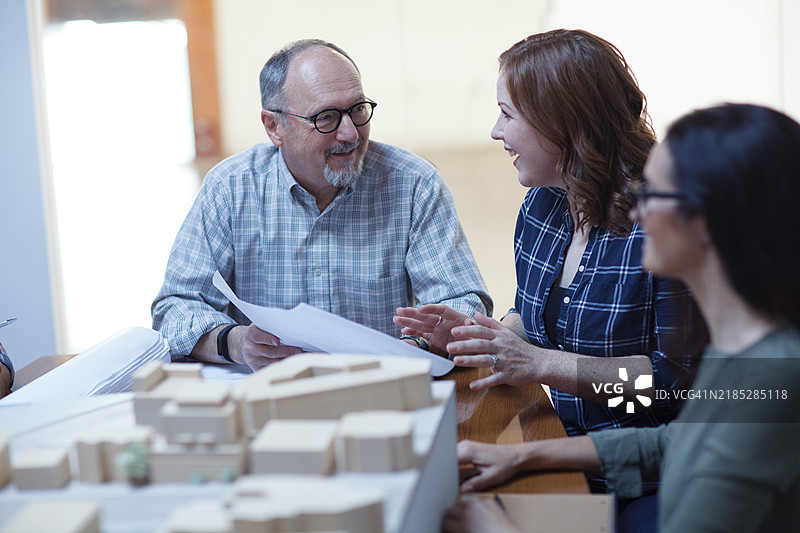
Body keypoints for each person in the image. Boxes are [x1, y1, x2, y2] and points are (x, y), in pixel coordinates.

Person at [445, 103, 800, 533]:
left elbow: (663, 400)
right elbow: (676, 442)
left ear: (709, 219)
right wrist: (524, 454)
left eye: (654, 194)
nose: (637, 212)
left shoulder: (775, 375)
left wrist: (496, 528)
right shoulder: (743, 342)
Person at [395, 29, 705, 487]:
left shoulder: (664, 225)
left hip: (651, 473)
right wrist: (477, 337)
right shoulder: (543, 206)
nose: (495, 132)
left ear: (562, 122)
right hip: (559, 443)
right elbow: (534, 316)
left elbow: (670, 386)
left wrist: (541, 364)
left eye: (506, 115)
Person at [152, 39, 492, 371]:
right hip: (270, 400)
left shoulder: (413, 184)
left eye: (358, 110)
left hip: (384, 393)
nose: (350, 133)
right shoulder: (230, 188)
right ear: (274, 127)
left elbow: (463, 304)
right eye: (326, 118)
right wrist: (236, 343)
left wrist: (415, 345)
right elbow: (175, 308)